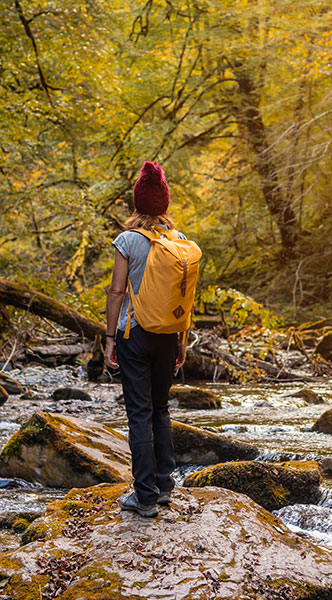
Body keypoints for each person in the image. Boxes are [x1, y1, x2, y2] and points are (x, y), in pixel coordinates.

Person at [104, 161, 187, 518]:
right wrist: (182, 339)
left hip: (133, 335)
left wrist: (109, 339)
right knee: (161, 408)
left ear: (138, 204)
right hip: (169, 335)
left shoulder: (127, 240)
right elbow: (184, 298)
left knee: (139, 413)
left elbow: (116, 291)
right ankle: (165, 486)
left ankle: (145, 496)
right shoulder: (180, 242)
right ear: (165, 204)